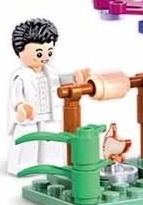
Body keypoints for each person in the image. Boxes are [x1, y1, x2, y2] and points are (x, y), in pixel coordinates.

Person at [6, 19, 87, 174]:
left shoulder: (51, 72)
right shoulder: (21, 76)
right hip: (30, 116)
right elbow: (16, 96)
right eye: (39, 53)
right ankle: (24, 166)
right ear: (20, 50)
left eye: (49, 52)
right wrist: (21, 106)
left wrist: (75, 77)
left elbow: (60, 81)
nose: (45, 57)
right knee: (29, 140)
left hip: (50, 114)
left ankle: (52, 163)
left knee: (52, 139)